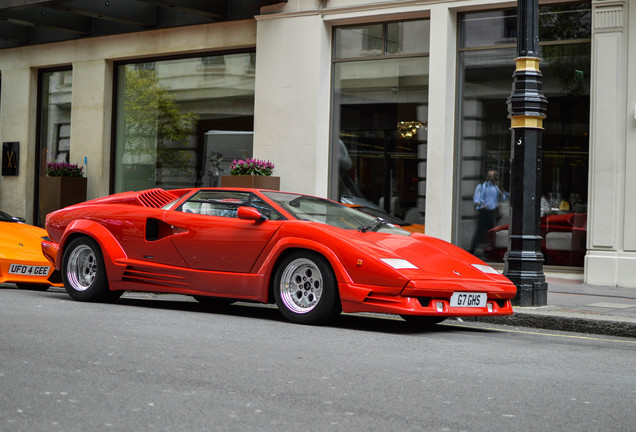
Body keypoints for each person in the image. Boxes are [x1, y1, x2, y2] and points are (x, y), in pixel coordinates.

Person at [469, 170, 507, 255]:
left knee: (492, 232)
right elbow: (476, 198)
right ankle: (472, 250)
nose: (493, 178)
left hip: (492, 212)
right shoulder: (482, 186)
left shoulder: (496, 187)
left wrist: (502, 193)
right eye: (491, 175)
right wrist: (483, 204)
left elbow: (503, 198)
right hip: (484, 211)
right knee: (479, 231)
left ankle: (492, 251)